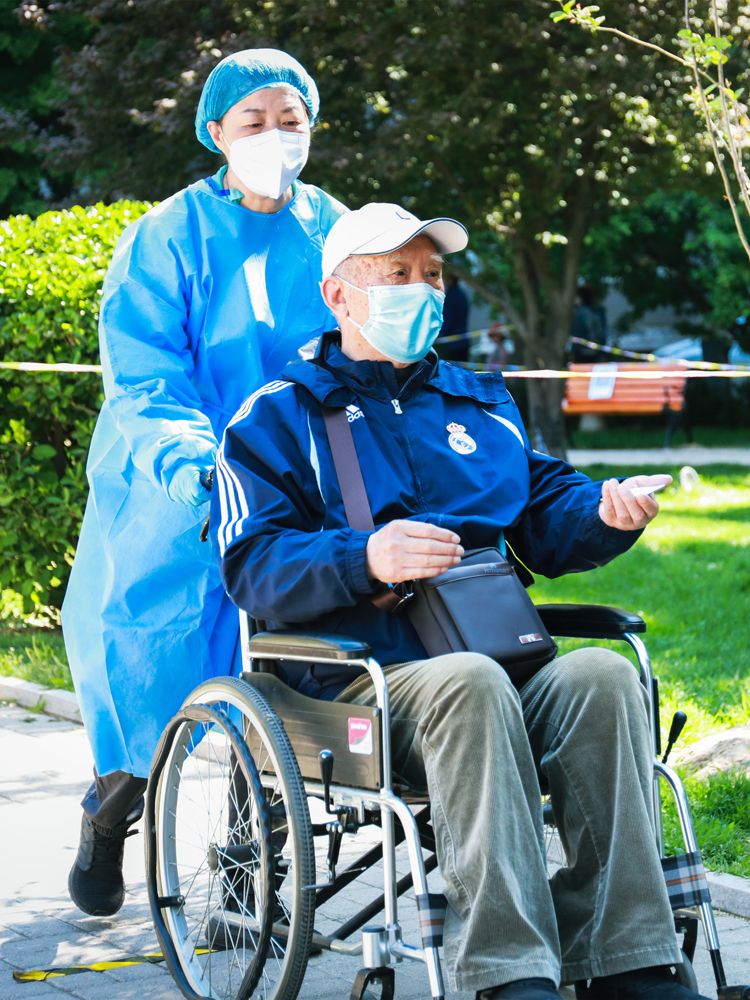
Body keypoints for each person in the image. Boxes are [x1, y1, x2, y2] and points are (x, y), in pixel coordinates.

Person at [212, 202, 709, 1000]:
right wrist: (363, 554)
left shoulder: (479, 404)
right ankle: (511, 972)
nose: (424, 290)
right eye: (399, 274)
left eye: (433, 274)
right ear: (338, 297)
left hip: (490, 656)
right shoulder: (275, 416)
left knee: (603, 678)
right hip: (357, 684)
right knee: (470, 682)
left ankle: (629, 957)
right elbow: (251, 563)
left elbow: (549, 515)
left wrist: (606, 512)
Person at [61, 48, 347, 918]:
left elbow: (360, 343)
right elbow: (148, 372)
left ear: (311, 129)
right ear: (215, 132)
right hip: (173, 488)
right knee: (149, 669)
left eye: (289, 120)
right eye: (253, 121)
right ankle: (112, 812)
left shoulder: (332, 226)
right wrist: (195, 466)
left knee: (281, 675)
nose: (273, 136)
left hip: (299, 485)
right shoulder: (169, 234)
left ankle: (244, 857)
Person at [438, 272, 470, 360]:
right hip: (464, 340)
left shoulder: (451, 296)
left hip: (453, 343)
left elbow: (448, 320)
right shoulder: (462, 295)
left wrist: (437, 334)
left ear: (450, 280)